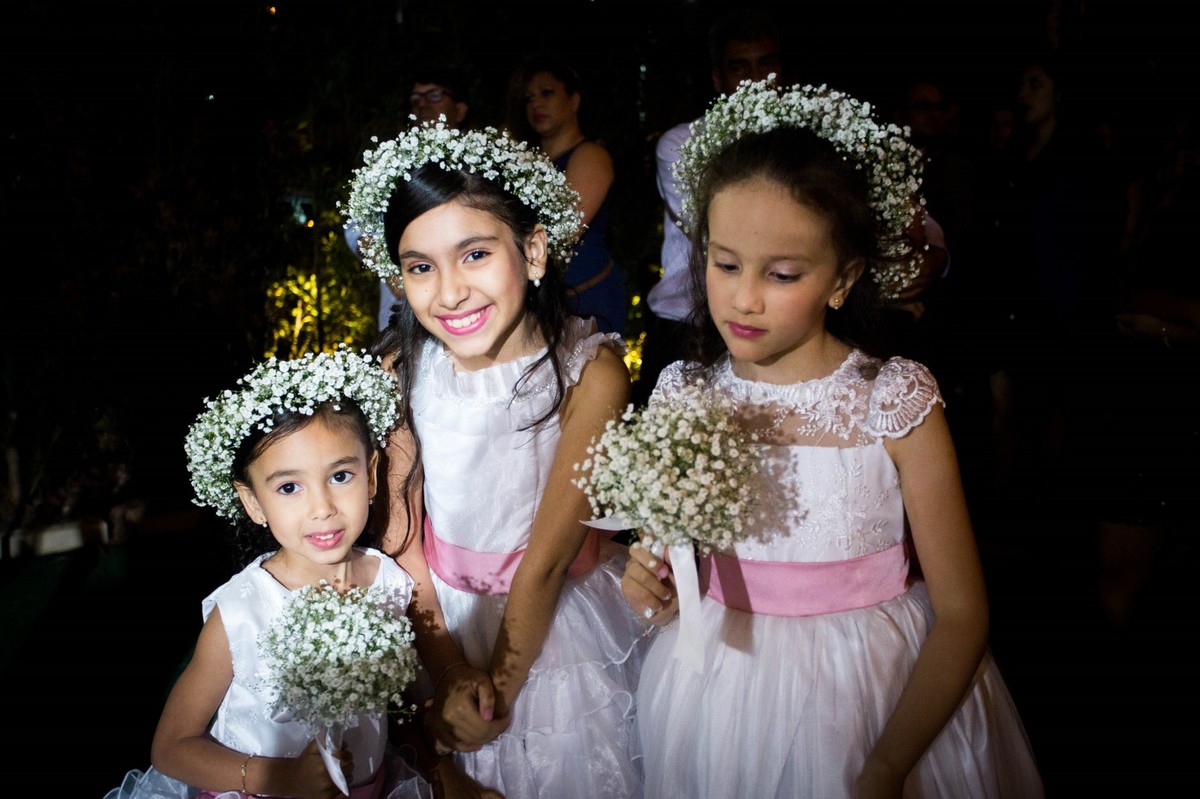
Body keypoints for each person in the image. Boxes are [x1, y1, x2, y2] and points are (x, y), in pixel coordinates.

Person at [620, 79, 1044, 798]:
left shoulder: (894, 399)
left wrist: (884, 765)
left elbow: (965, 612)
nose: (744, 296)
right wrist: (656, 583)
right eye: (724, 263)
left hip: (873, 693)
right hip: (720, 689)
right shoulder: (684, 393)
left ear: (843, 278)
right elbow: (671, 562)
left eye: (782, 273)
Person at [342, 120, 649, 797]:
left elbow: (542, 563)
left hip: (555, 630)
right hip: (442, 620)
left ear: (533, 250)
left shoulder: (587, 372)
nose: (448, 292)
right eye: (421, 267)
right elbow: (404, 539)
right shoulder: (402, 368)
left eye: (475, 254)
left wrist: (491, 698)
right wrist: (449, 674)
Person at [102, 348, 498, 799]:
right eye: (289, 487)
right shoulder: (241, 611)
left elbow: (395, 708)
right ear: (253, 502)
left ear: (371, 476)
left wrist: (443, 773)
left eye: (341, 476)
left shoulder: (389, 584)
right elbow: (172, 747)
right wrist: (281, 778)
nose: (322, 507)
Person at [634, 10, 948, 406]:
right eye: (740, 67)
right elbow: (739, 231)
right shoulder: (683, 145)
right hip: (689, 326)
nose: (756, 78)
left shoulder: (815, 141)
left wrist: (934, 258)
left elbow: (898, 209)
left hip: (797, 330)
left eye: (766, 62)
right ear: (718, 77)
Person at [507, 53, 628, 336]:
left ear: (574, 100)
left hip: (586, 296)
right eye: (528, 97)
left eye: (547, 93)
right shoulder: (522, 160)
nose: (536, 103)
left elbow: (563, 231)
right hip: (537, 301)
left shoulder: (590, 155)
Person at [347, 64, 473, 332]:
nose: (423, 106)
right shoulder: (390, 167)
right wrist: (394, 271)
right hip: (403, 321)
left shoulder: (481, 169)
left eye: (435, 96)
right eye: (416, 100)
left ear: (460, 110)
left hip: (468, 311)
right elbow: (356, 229)